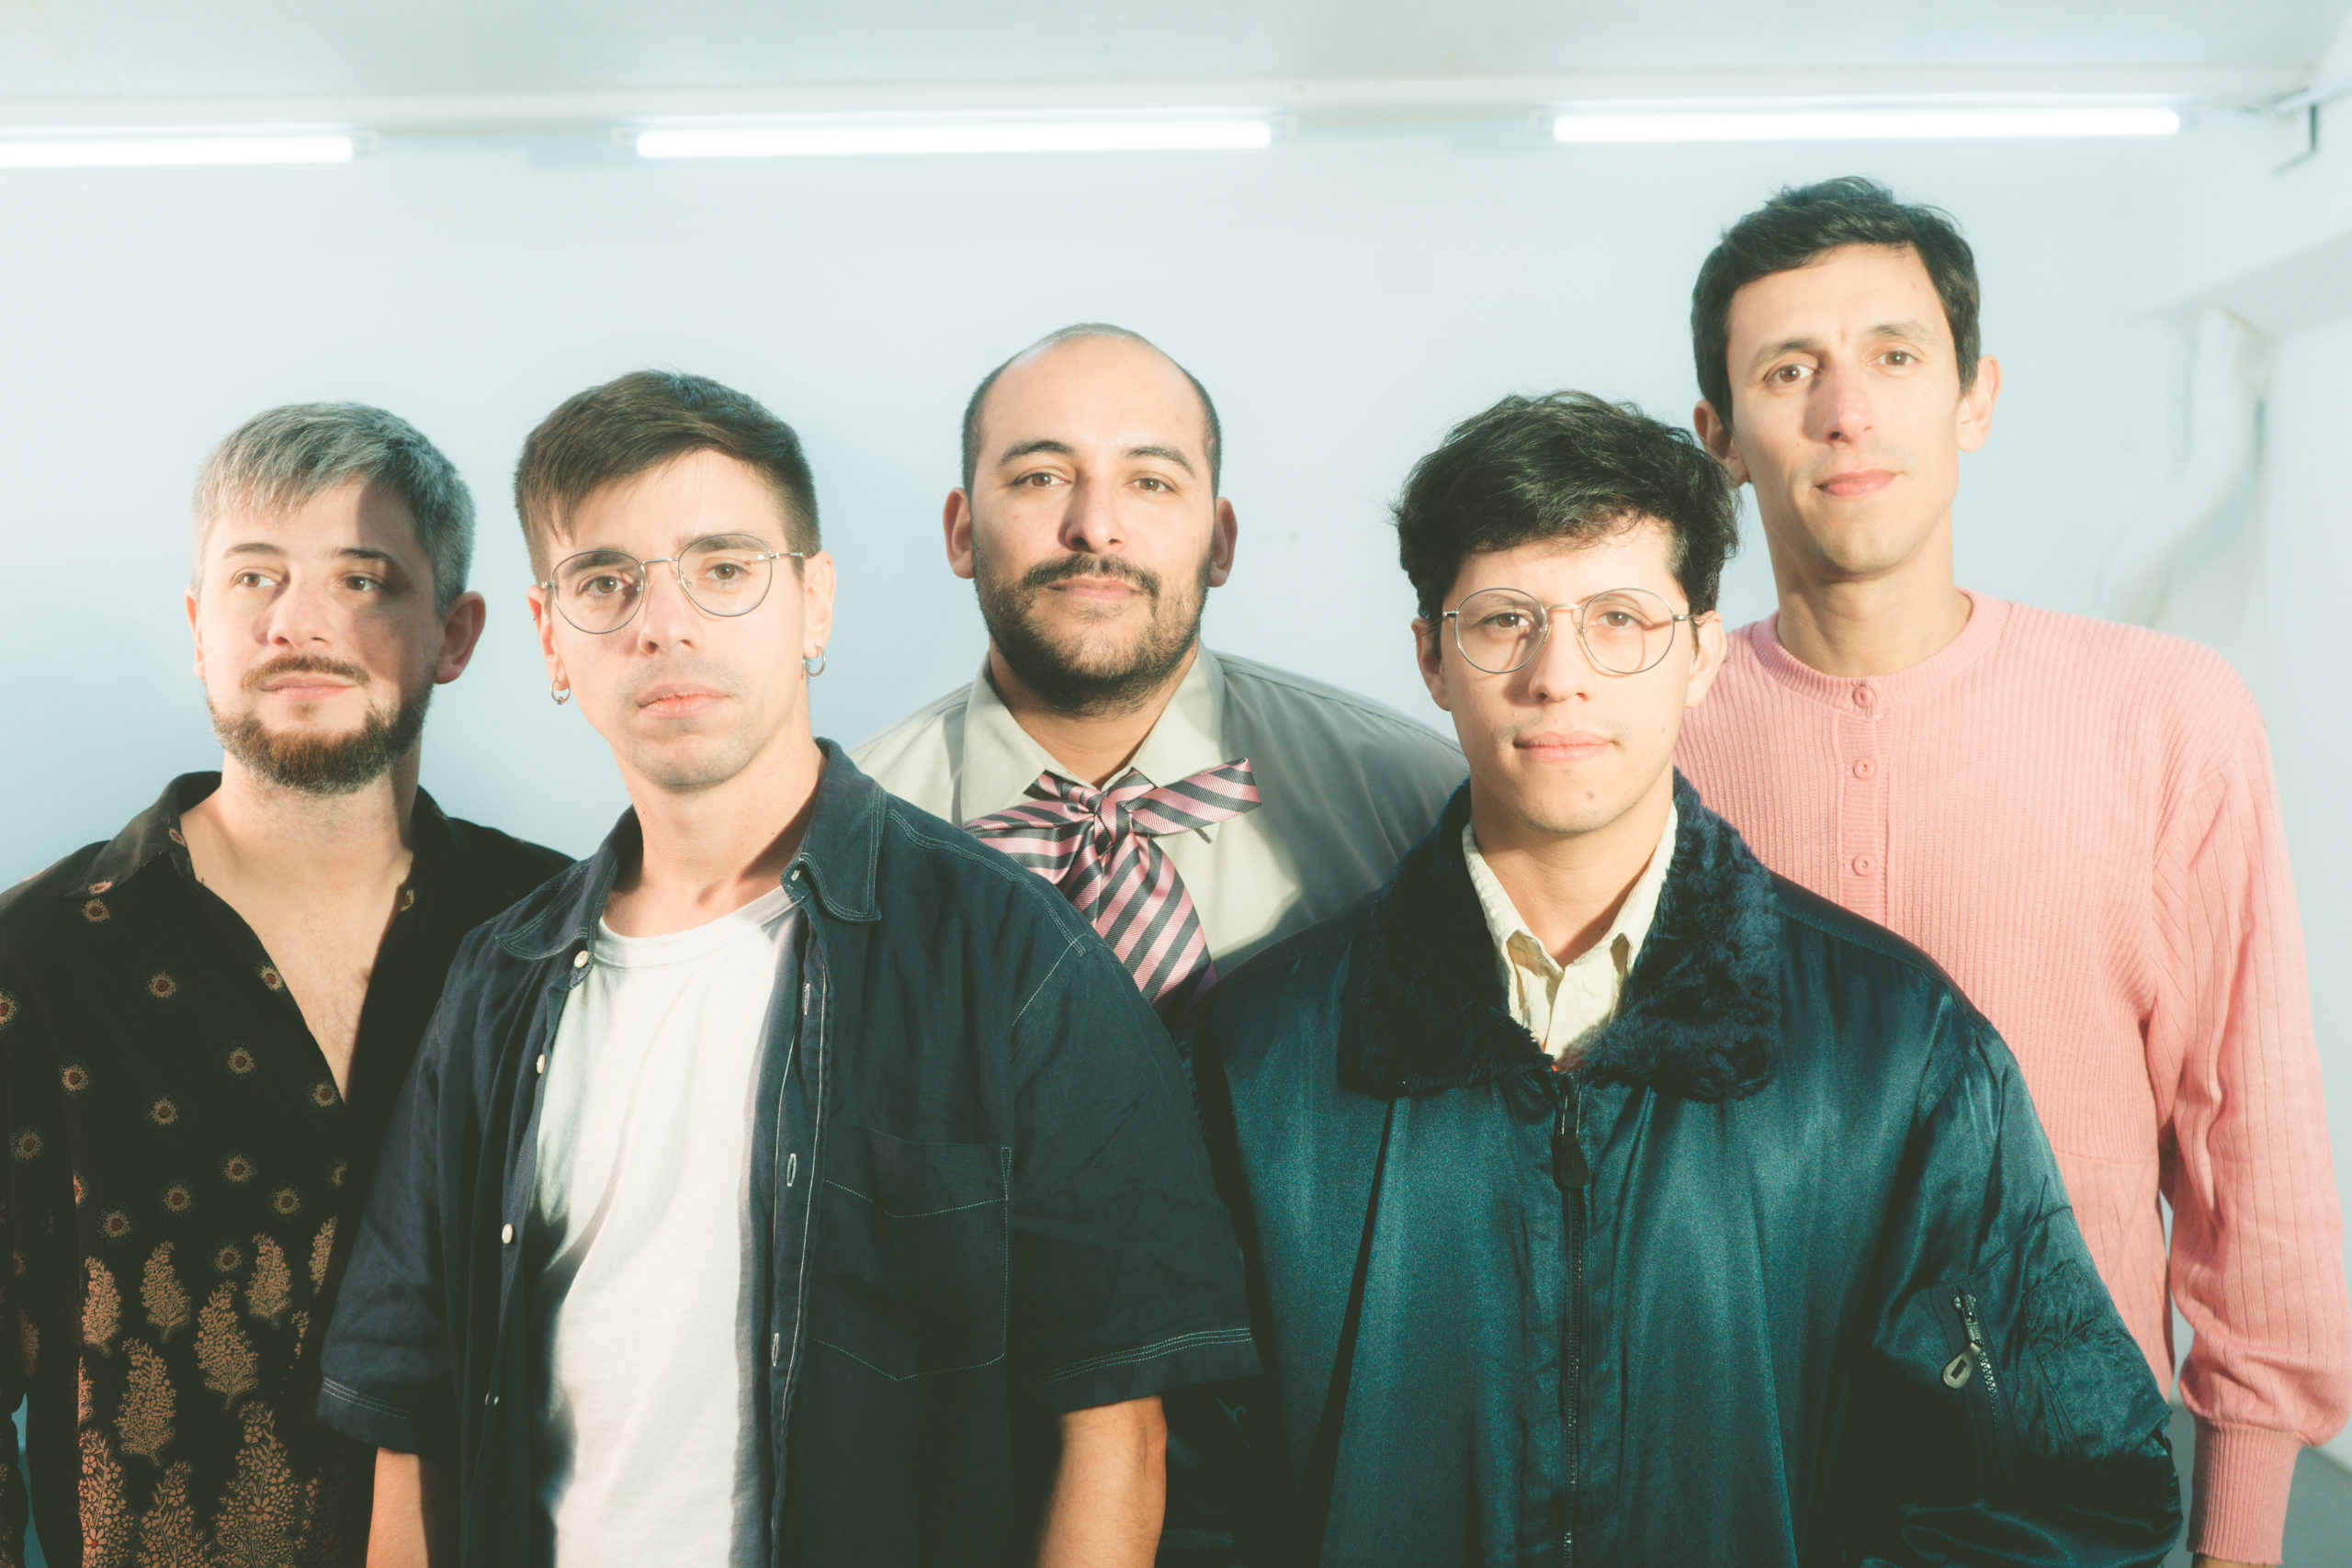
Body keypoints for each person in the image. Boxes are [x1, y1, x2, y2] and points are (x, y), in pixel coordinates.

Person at [1182, 390, 2181, 1564]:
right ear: (1431, 658)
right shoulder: (1262, 1053)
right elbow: (1175, 1495)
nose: (1559, 674)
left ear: (1701, 654)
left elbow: (2072, 1493)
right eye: (1503, 620)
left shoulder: (1896, 1043)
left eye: (1620, 619)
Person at [318, 370, 1257, 1568]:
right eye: (606, 582)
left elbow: (1118, 1431)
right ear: (552, 637)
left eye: (723, 568)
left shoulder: (1012, 952)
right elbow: (410, 1414)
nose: (665, 625)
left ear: (814, 604)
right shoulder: (496, 982)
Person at [1674, 176, 2350, 1568]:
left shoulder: (2166, 712)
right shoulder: (1648, 733)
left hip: (2066, 1493)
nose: (1846, 411)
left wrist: (2237, 1543)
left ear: (1974, 398)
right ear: (1719, 437)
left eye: (1894, 356)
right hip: (1723, 1479)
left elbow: (2250, 1154)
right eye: (1787, 370)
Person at [0, 404, 568, 1565]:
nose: (298, 624)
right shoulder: (35, 959)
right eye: (255, 577)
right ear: (199, 627)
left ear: (455, 634)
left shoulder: (557, 934)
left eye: (363, 581)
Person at [854, 324, 1464, 1015]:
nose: (1095, 526)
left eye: (1150, 482)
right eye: (1040, 477)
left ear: (1220, 543)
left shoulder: (1423, 807)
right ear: (962, 533)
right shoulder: (837, 839)